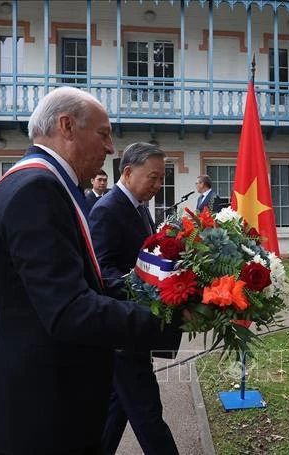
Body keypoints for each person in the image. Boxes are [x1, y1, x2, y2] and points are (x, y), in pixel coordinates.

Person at [0, 87, 182, 455]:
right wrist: (168, 318)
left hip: (35, 397)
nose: (110, 148)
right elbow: (68, 308)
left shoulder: (38, 183)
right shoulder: (37, 189)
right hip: (34, 409)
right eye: (104, 134)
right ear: (67, 126)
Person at [89, 142, 182, 455]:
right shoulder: (106, 209)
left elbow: (147, 257)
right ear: (127, 172)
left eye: (161, 179)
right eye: (153, 178)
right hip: (121, 327)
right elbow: (102, 272)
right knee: (147, 413)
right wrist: (150, 291)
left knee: (119, 405)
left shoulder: (139, 207)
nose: (158, 185)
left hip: (133, 329)